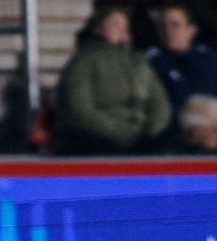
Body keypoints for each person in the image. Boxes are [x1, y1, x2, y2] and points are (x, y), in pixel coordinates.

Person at [54, 4, 172, 156]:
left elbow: (160, 103)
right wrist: (119, 132)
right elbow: (79, 110)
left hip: (142, 137)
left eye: (125, 25)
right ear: (98, 28)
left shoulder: (138, 63)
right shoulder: (82, 63)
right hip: (99, 137)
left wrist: (152, 130)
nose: (121, 29)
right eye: (115, 24)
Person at [146, 3, 217, 145]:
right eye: (163, 25)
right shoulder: (151, 62)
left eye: (175, 25)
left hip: (215, 139)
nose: (168, 30)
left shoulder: (209, 59)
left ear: (191, 30)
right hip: (171, 140)